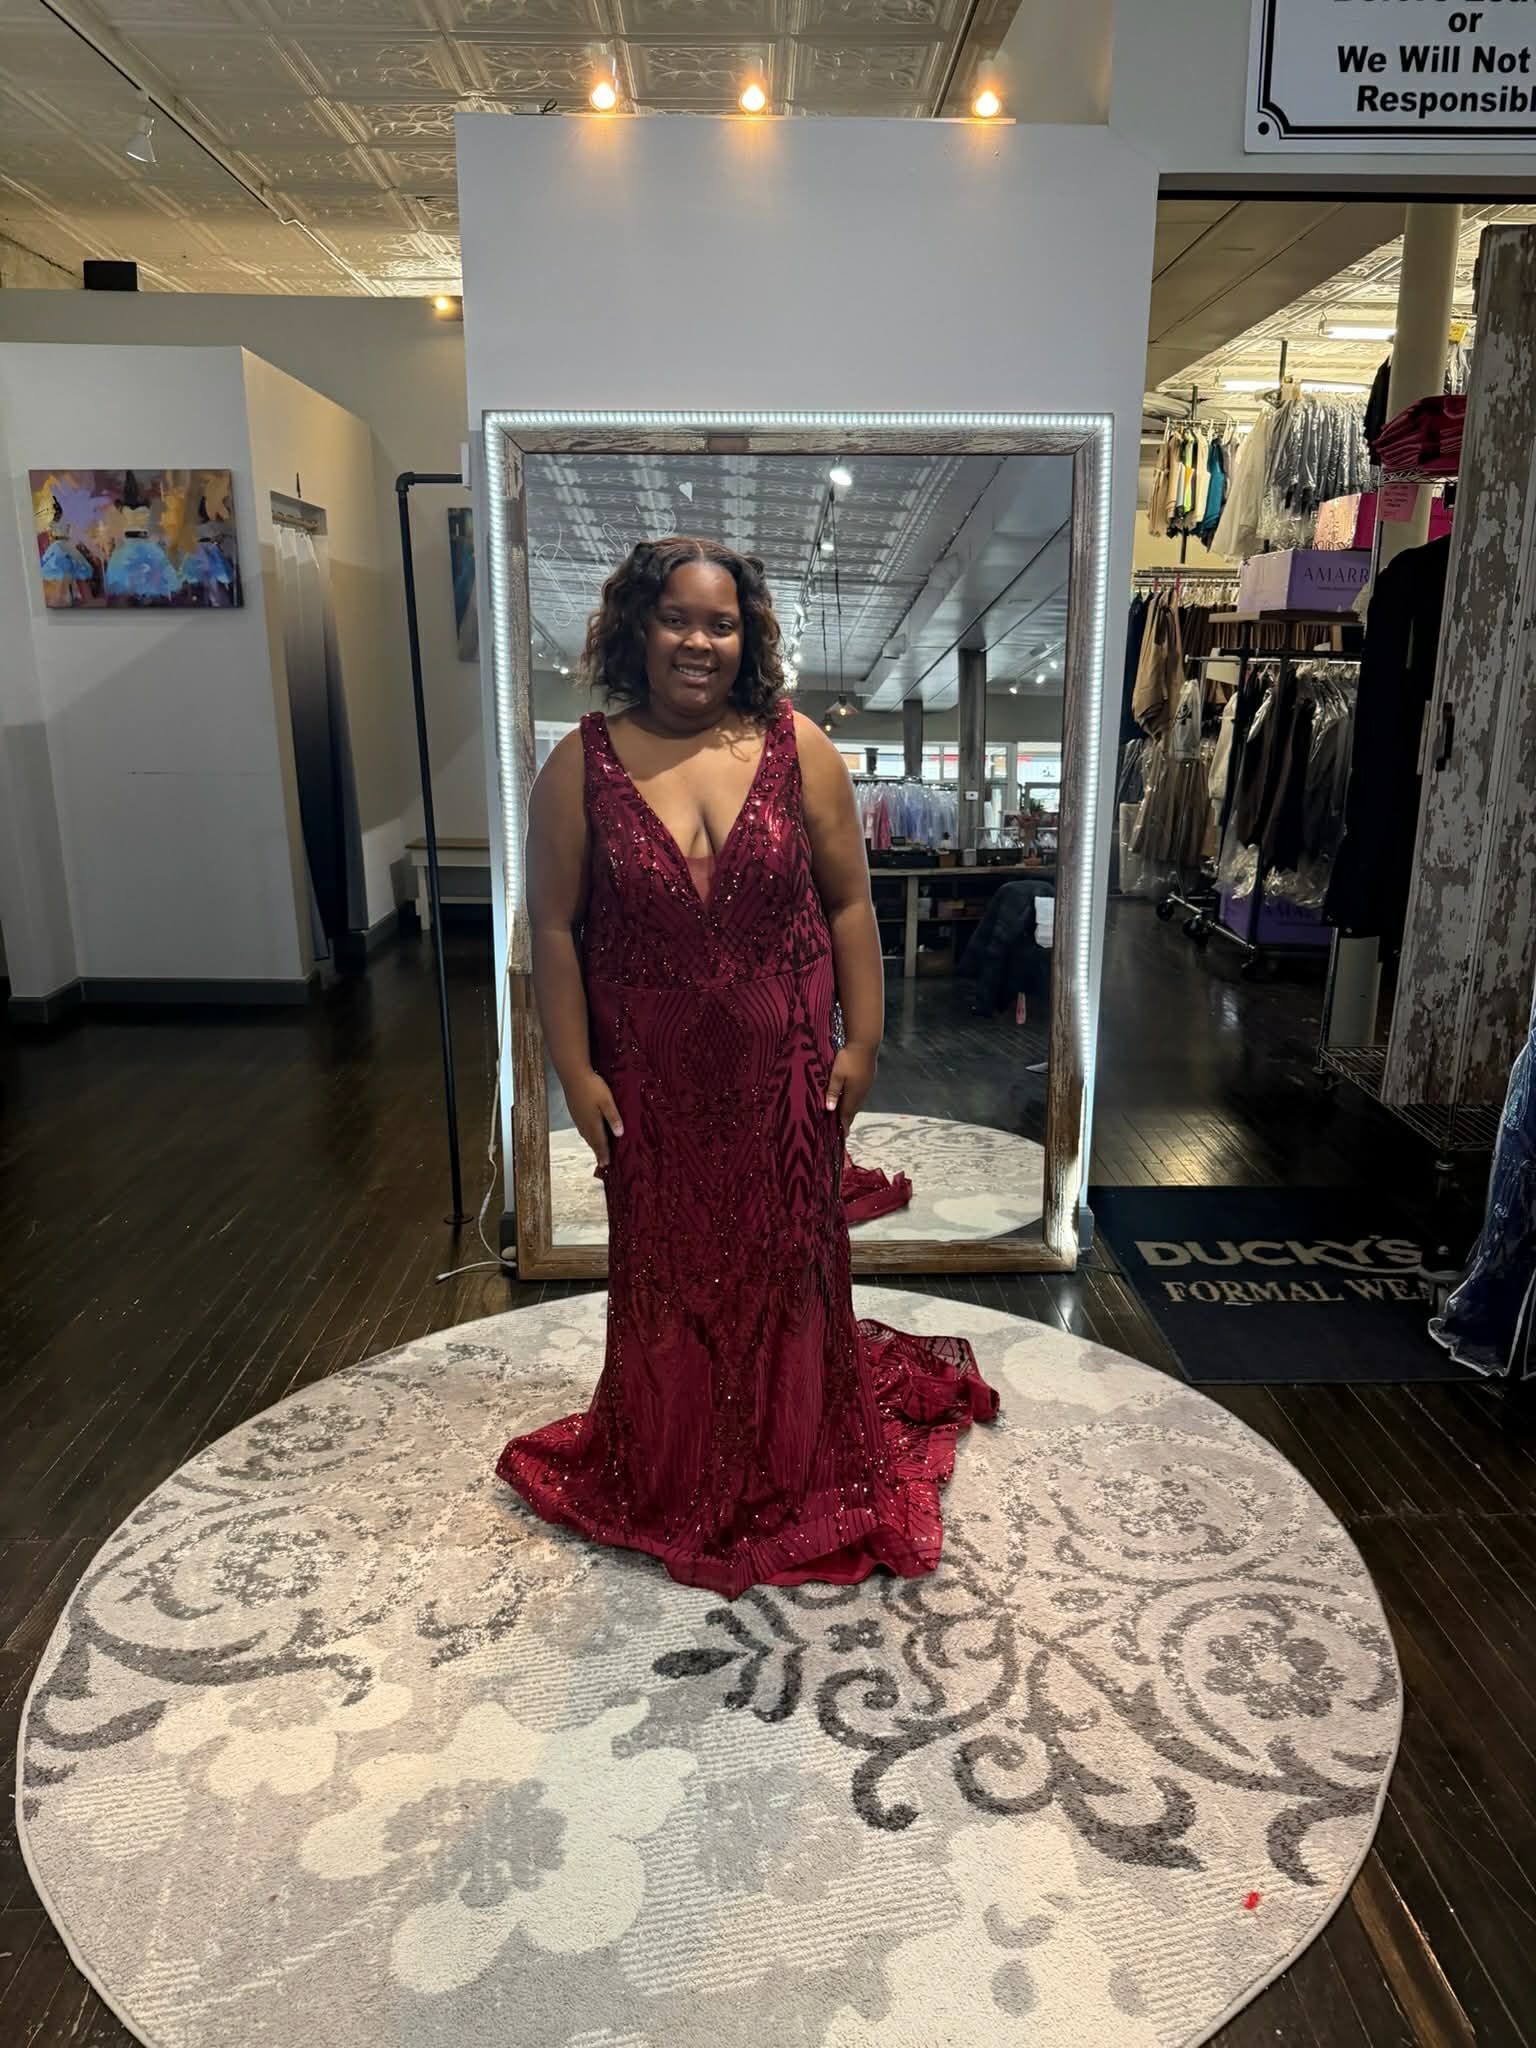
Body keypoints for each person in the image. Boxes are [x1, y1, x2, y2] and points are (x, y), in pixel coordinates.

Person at [495, 537, 998, 1599]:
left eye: (721, 624)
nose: (699, 642)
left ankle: (796, 1452)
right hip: (651, 1082)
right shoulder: (579, 764)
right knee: (668, 1272)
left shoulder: (798, 746)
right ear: (638, 628)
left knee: (786, 1265)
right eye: (677, 618)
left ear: (748, 637)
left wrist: (863, 1040)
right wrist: (573, 1071)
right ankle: (671, 1464)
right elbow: (551, 930)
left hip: (785, 1076)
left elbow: (850, 903)